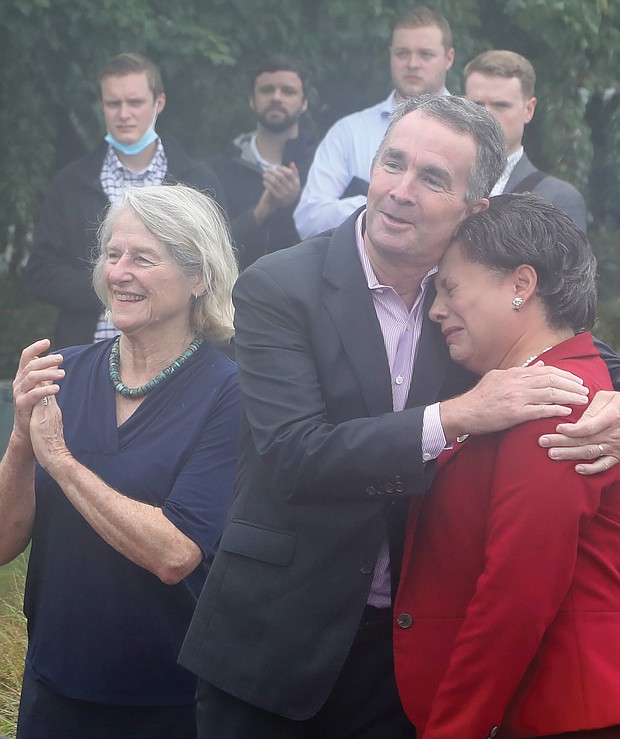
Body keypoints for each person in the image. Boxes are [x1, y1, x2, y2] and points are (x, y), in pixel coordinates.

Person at [178, 95, 610, 738]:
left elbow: (559, 340)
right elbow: (296, 456)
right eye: (392, 163)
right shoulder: (277, 286)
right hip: (274, 644)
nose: (400, 191)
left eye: (432, 177)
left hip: (405, 657)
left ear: (475, 208)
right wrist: (457, 416)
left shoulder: (470, 295)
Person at [1, 184, 240, 739]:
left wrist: (59, 460)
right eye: (113, 255)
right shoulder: (63, 375)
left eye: (143, 258)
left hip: (168, 702)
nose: (120, 273)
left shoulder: (227, 393)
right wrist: (19, 438)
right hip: (54, 688)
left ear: (199, 277)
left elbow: (176, 552)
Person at [394, 193, 620, 738]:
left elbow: (518, 591)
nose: (436, 310)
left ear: (521, 285)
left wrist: (455, 728)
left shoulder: (555, 399)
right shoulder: (527, 388)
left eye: (450, 287)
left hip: (558, 712)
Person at [25, 52, 226, 349]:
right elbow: (41, 272)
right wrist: (115, 287)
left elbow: (214, 268)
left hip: (178, 351)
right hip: (89, 350)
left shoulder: (196, 182)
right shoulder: (71, 182)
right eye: (113, 103)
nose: (124, 114)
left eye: (135, 102)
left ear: (159, 103)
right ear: (102, 106)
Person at [294, 6, 454, 239]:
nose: (412, 63)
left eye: (425, 54)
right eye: (402, 53)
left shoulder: (472, 135)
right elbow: (308, 218)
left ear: (449, 58)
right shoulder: (349, 132)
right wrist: (374, 203)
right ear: (390, 54)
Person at [207, 54, 316, 270]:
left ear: (304, 103)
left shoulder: (322, 166)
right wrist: (259, 213)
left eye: (288, 91)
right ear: (252, 100)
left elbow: (333, 244)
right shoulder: (217, 171)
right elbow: (207, 248)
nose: (276, 97)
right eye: (267, 90)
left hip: (302, 299)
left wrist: (295, 202)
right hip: (231, 296)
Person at [464, 49, 587, 231]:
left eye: (501, 105)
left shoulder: (558, 199)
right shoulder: (435, 179)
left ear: (528, 110)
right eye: (477, 105)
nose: (486, 115)